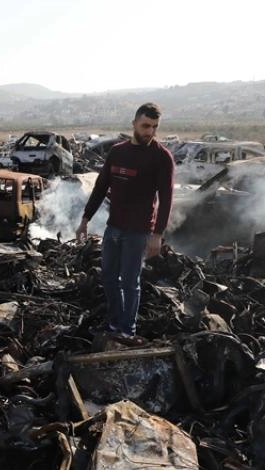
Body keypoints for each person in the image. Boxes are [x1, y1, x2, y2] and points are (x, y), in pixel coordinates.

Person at [76, 103, 174, 337]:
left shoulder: (162, 157)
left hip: (138, 232)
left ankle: (127, 330)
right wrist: (85, 219)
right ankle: (114, 323)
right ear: (134, 124)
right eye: (145, 126)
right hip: (114, 228)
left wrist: (157, 235)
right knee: (108, 278)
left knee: (130, 282)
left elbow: (166, 199)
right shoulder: (117, 152)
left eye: (154, 127)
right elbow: (100, 187)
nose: (150, 131)